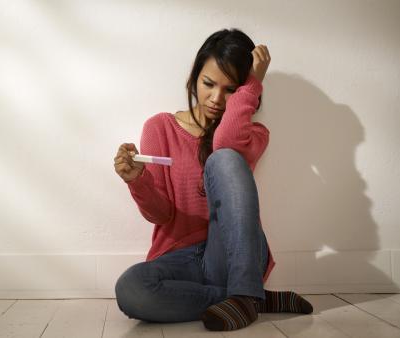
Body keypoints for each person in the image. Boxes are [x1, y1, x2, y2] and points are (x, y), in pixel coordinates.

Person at [113, 28, 313, 332]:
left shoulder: (254, 136)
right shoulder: (160, 127)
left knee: (225, 157)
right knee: (130, 289)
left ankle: (244, 292)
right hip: (181, 262)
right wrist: (138, 181)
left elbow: (224, 142)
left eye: (231, 89)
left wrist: (253, 82)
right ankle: (250, 299)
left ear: (246, 90)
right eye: (208, 84)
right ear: (194, 77)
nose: (217, 99)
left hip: (233, 257)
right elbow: (161, 215)